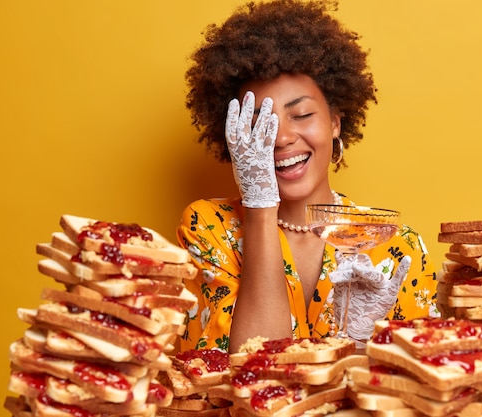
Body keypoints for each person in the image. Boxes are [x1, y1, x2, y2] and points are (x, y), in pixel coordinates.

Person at [176, 0, 438, 353]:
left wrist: (364, 347)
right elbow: (253, 376)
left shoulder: (397, 246)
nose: (282, 138)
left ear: (334, 121)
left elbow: (418, 390)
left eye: (300, 114)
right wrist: (260, 205)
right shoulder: (209, 229)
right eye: (258, 124)